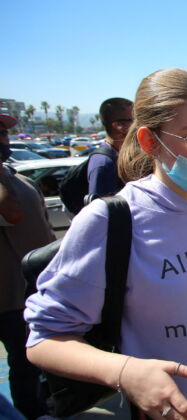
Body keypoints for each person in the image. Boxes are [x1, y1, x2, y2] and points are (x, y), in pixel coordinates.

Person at [25, 68, 187, 420]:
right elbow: (44, 339)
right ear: (149, 141)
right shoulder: (110, 220)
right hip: (179, 406)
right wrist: (124, 371)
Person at [0, 113, 54, 419]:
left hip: (30, 293)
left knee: (29, 362)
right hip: (7, 298)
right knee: (23, 363)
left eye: (2, 133)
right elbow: (12, 213)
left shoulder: (18, 179)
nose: (2, 140)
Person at [87, 97, 133, 197]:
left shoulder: (120, 155)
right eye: (134, 120)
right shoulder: (103, 163)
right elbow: (102, 204)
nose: (139, 124)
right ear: (119, 126)